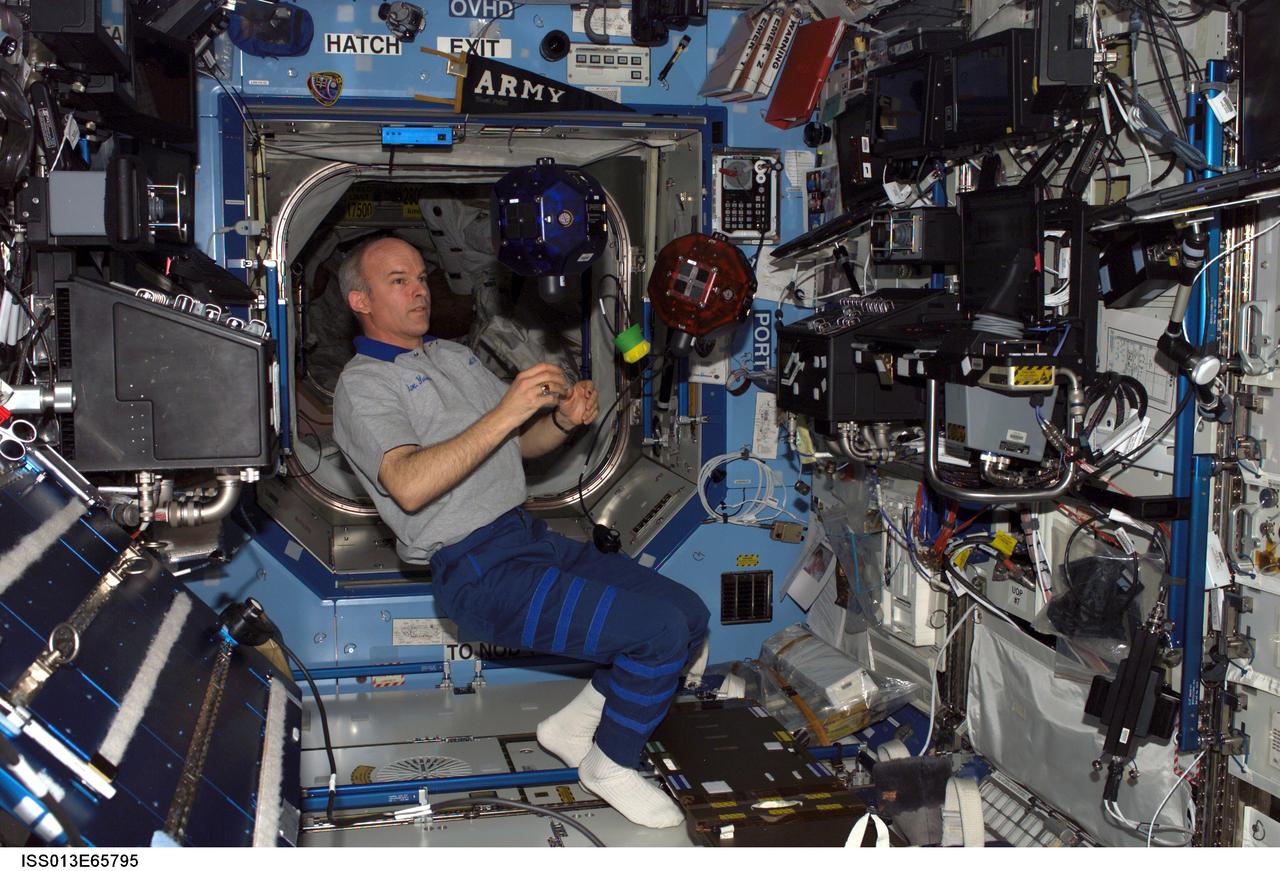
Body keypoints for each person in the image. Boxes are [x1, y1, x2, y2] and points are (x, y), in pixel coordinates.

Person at [331, 236, 710, 829]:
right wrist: (508, 409)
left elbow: (514, 448)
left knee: (687, 613)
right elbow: (406, 482)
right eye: (398, 280)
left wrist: (559, 421)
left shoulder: (452, 358)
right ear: (361, 300)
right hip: (477, 571)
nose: (419, 290)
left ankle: (573, 726)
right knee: (656, 635)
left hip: (524, 537)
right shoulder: (362, 387)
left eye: (422, 277)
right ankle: (610, 764)